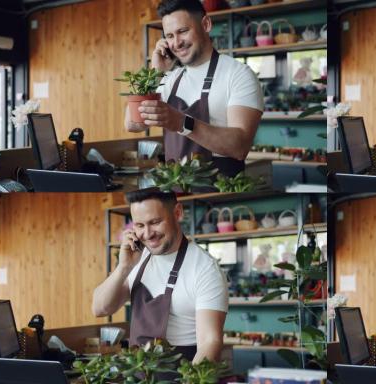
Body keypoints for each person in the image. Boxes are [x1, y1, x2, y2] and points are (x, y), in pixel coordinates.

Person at [124, 0, 263, 177]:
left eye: (182, 31)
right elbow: (132, 124)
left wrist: (182, 123)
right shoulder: (170, 79)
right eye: (169, 36)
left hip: (220, 190)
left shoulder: (238, 74)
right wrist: (154, 72)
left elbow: (240, 147)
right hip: (175, 189)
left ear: (206, 24)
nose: (176, 43)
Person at [92, 188, 228, 363]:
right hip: (138, 371)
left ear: (177, 213)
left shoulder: (205, 269)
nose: (147, 234)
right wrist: (123, 267)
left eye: (155, 222)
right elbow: (100, 308)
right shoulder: (137, 257)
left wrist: (191, 379)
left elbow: (210, 342)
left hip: (182, 373)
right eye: (140, 225)